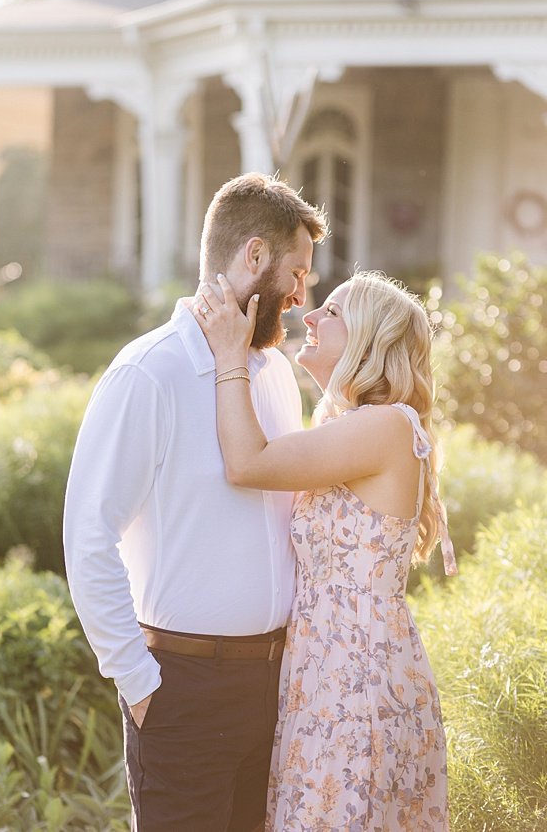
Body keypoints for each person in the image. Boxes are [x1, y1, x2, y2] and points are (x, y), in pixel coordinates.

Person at [63, 172, 327, 831]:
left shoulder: (272, 376)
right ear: (255, 257)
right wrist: (139, 682)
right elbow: (87, 535)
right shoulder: (147, 372)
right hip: (181, 692)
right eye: (297, 273)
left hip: (273, 689)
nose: (302, 296)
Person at [192, 269, 455, 831]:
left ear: (367, 338)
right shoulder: (353, 425)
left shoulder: (384, 426)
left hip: (355, 679)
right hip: (325, 672)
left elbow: (248, 464)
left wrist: (230, 355)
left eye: (331, 312)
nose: (308, 315)